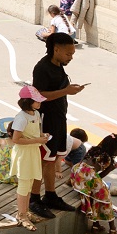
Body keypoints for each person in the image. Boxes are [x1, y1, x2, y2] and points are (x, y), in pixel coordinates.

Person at [31, 32, 85, 215]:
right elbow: (38, 95)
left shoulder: (58, 66)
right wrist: (66, 91)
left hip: (59, 118)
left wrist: (68, 89)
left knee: (53, 158)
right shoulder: (42, 68)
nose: (70, 58)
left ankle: (51, 194)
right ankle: (34, 198)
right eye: (68, 54)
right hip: (46, 120)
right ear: (56, 49)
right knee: (43, 160)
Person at [8, 87, 51, 229]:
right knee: (24, 184)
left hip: (33, 152)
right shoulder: (21, 118)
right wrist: (37, 140)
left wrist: (42, 136)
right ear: (28, 102)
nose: (39, 103)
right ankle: (21, 215)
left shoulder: (36, 113)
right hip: (24, 154)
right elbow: (16, 139)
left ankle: (24, 212)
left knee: (31, 181)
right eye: (37, 101)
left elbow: (38, 131)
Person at [71, 132, 117, 234]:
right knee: (105, 198)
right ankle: (112, 228)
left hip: (77, 173)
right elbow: (98, 176)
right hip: (88, 177)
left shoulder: (93, 149)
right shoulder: (107, 159)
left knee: (94, 196)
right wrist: (110, 169)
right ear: (116, 150)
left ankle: (96, 225)